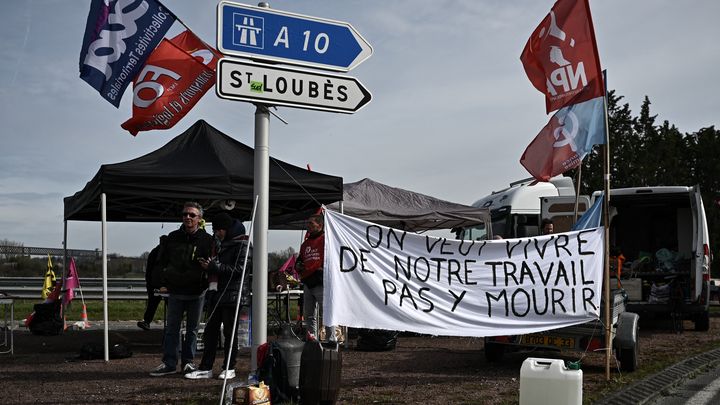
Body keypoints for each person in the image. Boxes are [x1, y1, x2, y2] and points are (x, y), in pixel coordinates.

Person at [185, 212, 252, 380]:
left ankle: (230, 367)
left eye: (220, 230)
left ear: (227, 229)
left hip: (233, 295)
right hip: (216, 294)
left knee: (230, 334)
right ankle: (206, 367)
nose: (217, 233)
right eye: (215, 230)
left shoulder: (243, 244)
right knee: (210, 333)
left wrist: (214, 267)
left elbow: (239, 271)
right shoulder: (219, 244)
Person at [150, 202, 213, 377]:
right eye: (185, 214)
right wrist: (162, 282)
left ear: (199, 219)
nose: (188, 217)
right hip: (175, 290)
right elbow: (162, 262)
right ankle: (169, 363)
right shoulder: (172, 237)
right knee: (172, 329)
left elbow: (213, 263)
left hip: (197, 291)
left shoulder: (207, 240)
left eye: (192, 215)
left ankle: (188, 363)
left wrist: (208, 273)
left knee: (192, 329)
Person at [295, 213, 335, 341]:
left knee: (326, 313)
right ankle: (312, 340)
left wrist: (322, 270)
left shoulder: (326, 240)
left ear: (320, 225)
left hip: (321, 282)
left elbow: (332, 258)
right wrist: (298, 265)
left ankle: (331, 340)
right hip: (307, 282)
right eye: (308, 224)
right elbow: (299, 260)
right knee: (309, 315)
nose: (308, 226)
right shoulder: (305, 244)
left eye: (311, 224)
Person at [137, 236, 166, 331]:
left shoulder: (154, 251)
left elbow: (149, 269)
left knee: (152, 303)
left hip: (153, 283)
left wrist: (149, 283)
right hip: (166, 283)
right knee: (172, 305)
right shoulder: (170, 252)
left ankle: (147, 322)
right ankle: (172, 323)